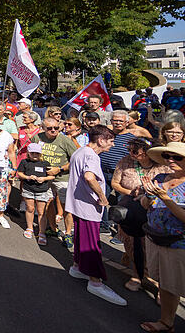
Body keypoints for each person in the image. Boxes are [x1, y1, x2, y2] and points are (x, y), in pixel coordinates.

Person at [65, 125, 126, 306]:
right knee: (91, 245)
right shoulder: (91, 155)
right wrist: (102, 197)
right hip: (88, 207)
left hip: (78, 205)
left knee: (82, 240)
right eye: (111, 141)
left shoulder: (81, 151)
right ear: (101, 140)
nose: (113, 145)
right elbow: (90, 177)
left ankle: (78, 267)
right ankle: (95, 282)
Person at [111, 137, 169, 292]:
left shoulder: (164, 167)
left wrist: (148, 193)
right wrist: (131, 193)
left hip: (156, 212)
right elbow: (115, 183)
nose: (131, 153)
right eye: (129, 149)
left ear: (148, 152)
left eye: (135, 151)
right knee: (132, 243)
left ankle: (161, 284)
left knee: (154, 248)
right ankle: (137, 275)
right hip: (131, 210)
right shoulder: (124, 162)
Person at [139, 142, 185, 332]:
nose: (170, 160)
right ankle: (167, 322)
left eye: (177, 157)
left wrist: (165, 198)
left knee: (178, 283)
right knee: (166, 284)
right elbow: (144, 204)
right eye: (167, 156)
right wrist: (149, 195)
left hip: (178, 243)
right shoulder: (160, 177)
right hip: (155, 237)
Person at [32, 117, 77, 246]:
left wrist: (59, 169)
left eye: (56, 128)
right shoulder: (37, 138)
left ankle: (68, 233)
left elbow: (75, 160)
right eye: (49, 128)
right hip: (44, 177)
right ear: (43, 128)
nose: (53, 130)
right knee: (48, 202)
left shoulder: (65, 141)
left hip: (62, 177)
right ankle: (52, 228)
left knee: (66, 206)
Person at [99, 110, 136, 235]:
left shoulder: (132, 139)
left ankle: (120, 231)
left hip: (122, 175)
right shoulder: (105, 135)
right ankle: (104, 225)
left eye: (121, 121)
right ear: (111, 121)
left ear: (127, 122)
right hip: (103, 172)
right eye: (115, 120)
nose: (118, 123)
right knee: (101, 198)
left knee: (123, 203)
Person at [17, 143, 54, 244]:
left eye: (37, 153)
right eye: (32, 153)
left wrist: (44, 178)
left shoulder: (45, 163)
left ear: (40, 154)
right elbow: (20, 173)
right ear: (28, 153)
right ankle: (29, 228)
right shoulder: (24, 162)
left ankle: (42, 232)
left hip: (42, 189)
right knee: (30, 208)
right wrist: (28, 177)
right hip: (28, 188)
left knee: (41, 212)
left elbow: (52, 176)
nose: (35, 155)